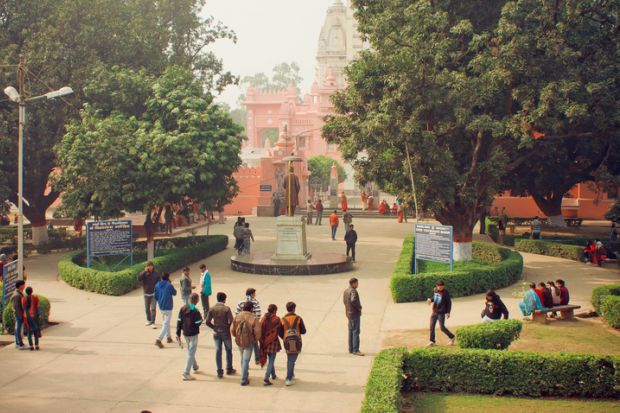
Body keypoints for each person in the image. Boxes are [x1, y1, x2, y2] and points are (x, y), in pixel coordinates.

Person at [205, 292, 236, 378]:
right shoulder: (226, 309)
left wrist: (214, 327)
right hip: (225, 332)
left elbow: (207, 322)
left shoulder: (212, 309)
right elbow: (231, 320)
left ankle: (219, 371)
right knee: (228, 350)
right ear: (224, 299)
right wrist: (228, 328)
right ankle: (229, 368)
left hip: (216, 332)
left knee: (218, 351)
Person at [231, 301, 261, 386]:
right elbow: (257, 332)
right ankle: (244, 378)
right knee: (246, 359)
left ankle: (245, 374)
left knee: (242, 358)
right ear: (251, 309)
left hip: (239, 341)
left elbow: (232, 329)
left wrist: (236, 336)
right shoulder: (254, 318)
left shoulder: (237, 316)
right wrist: (255, 340)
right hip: (249, 341)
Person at [278, 301, 307, 386]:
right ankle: (288, 378)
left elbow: (279, 332)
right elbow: (304, 331)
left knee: (290, 357)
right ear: (294, 309)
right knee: (291, 360)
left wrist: (285, 337)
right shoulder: (298, 318)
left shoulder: (283, 319)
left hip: (286, 342)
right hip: (297, 342)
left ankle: (292, 374)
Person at [176, 293, 202, 381]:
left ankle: (195, 366)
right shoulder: (195, 311)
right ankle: (186, 372)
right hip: (193, 334)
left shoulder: (183, 308)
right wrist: (201, 319)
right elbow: (198, 323)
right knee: (191, 352)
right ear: (197, 301)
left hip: (185, 333)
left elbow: (179, 321)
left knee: (190, 350)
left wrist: (178, 333)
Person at [236, 288, 262, 365]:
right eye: (254, 293)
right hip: (252, 324)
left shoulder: (241, 302)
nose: (255, 295)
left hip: (242, 324)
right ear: (251, 294)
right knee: (255, 342)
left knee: (243, 340)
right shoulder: (255, 302)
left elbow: (237, 313)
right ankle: (257, 359)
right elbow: (258, 314)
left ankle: (244, 361)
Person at [426, 280, 455, 346]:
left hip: (441, 313)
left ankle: (452, 337)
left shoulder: (445, 292)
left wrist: (448, 312)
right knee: (431, 327)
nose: (441, 288)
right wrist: (430, 300)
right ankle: (432, 341)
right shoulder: (435, 290)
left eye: (442, 287)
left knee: (442, 328)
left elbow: (449, 302)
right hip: (434, 312)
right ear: (437, 286)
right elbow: (435, 298)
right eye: (440, 287)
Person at [259, 304, 281, 386]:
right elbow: (278, 331)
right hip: (273, 342)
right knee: (271, 360)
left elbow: (260, 329)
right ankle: (266, 378)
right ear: (274, 310)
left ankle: (273, 375)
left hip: (265, 342)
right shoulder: (277, 319)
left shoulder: (264, 318)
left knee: (270, 359)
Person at [153, 272, 177, 348]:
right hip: (168, 306)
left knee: (166, 322)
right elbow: (175, 293)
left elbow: (155, 296)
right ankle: (159, 339)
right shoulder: (169, 285)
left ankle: (169, 337)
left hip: (161, 306)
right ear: (168, 277)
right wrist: (170, 284)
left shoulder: (157, 285)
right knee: (166, 323)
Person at [137, 261, 160, 328]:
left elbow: (159, 281)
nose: (149, 267)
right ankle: (148, 320)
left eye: (150, 266)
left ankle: (153, 322)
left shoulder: (156, 273)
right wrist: (144, 272)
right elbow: (139, 279)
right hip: (146, 294)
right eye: (148, 266)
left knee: (153, 308)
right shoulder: (144, 273)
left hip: (154, 294)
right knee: (147, 308)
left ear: (152, 266)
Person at [343, 278, 363, 355]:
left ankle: (351, 349)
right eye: (357, 283)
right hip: (354, 314)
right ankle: (356, 350)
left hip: (349, 314)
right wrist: (359, 307)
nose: (358, 285)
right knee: (356, 331)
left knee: (351, 331)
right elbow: (353, 300)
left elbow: (344, 302)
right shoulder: (353, 291)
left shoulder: (346, 291)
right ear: (353, 283)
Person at [22, 286, 41, 351]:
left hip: (27, 316)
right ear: (32, 291)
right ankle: (37, 345)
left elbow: (23, 307)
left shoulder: (24, 299)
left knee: (29, 331)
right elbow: (38, 306)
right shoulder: (36, 297)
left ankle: (31, 346)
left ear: (26, 292)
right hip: (35, 315)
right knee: (35, 331)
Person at [12, 280, 28, 350]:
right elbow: (17, 307)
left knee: (17, 329)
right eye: (24, 285)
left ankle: (18, 343)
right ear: (20, 286)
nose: (24, 286)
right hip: (19, 315)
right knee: (18, 329)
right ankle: (20, 344)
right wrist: (21, 316)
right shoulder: (17, 295)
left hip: (19, 314)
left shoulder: (18, 293)